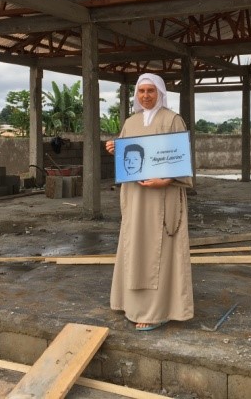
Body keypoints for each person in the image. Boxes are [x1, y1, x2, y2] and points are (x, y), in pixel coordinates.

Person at [106, 73, 194, 331]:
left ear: (160, 93)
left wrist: (165, 180)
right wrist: (115, 148)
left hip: (162, 197)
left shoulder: (172, 120)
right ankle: (131, 305)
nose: (145, 96)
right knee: (135, 246)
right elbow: (128, 162)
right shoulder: (130, 122)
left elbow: (182, 161)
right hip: (135, 197)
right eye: (141, 91)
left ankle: (159, 311)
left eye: (150, 91)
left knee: (159, 250)